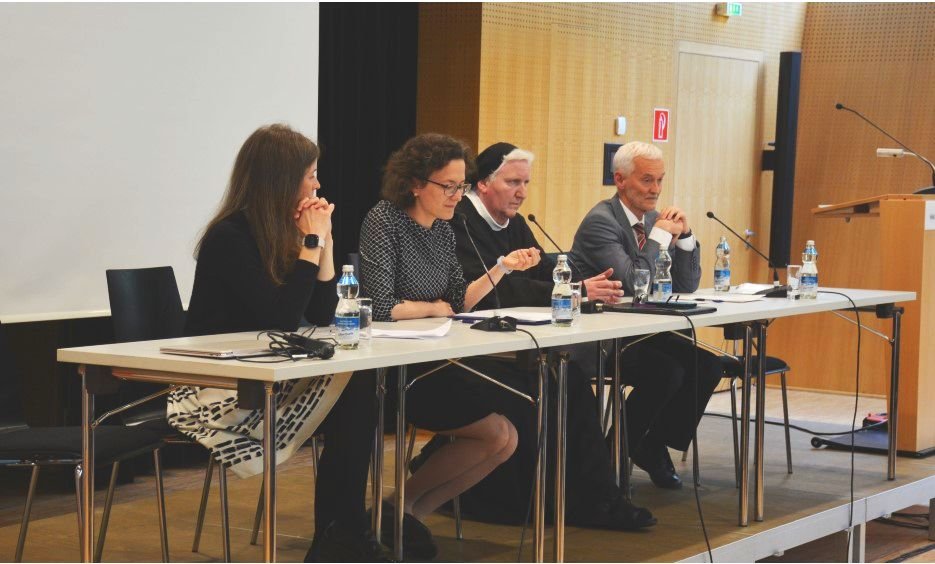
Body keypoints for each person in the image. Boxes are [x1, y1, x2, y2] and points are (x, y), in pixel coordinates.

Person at [166, 124, 387, 562]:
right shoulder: (229, 237)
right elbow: (280, 319)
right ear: (282, 180)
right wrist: (310, 241)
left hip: (268, 369)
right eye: (311, 175)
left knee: (361, 386)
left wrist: (324, 242)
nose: (318, 185)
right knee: (354, 394)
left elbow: (324, 314)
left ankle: (340, 532)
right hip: (221, 380)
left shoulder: (280, 230)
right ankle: (340, 533)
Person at [443, 141, 655, 530]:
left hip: (517, 344)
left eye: (526, 182)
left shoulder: (516, 223)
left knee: (568, 377)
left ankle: (591, 496)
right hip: (468, 350)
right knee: (566, 381)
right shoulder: (460, 222)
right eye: (513, 182)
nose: (522, 192)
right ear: (483, 184)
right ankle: (588, 499)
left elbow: (540, 273)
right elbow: (492, 293)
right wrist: (573, 292)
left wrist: (580, 285)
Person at [358, 133, 542, 559]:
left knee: (506, 436)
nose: (456, 196)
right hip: (394, 367)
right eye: (448, 186)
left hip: (436, 356)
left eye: (461, 186)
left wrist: (501, 267)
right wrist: (433, 307)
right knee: (497, 431)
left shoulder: (443, 230)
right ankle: (397, 513)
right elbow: (383, 306)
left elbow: (458, 301)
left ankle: (406, 513)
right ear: (415, 183)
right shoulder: (384, 220)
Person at [569, 141, 723, 489]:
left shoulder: (655, 221)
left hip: (642, 332)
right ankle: (613, 454)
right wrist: (658, 237)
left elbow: (685, 284)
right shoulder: (600, 222)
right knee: (666, 371)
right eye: (646, 180)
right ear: (620, 180)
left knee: (707, 366)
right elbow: (633, 281)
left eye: (660, 180)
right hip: (601, 339)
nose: (655, 190)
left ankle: (649, 443)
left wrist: (686, 238)